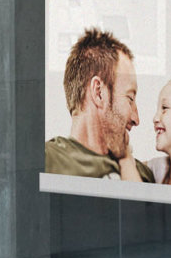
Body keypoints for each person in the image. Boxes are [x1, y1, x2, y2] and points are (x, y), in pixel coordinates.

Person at [44, 28, 154, 181]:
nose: (136, 119)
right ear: (99, 92)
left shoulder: (142, 175)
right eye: (130, 98)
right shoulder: (46, 160)